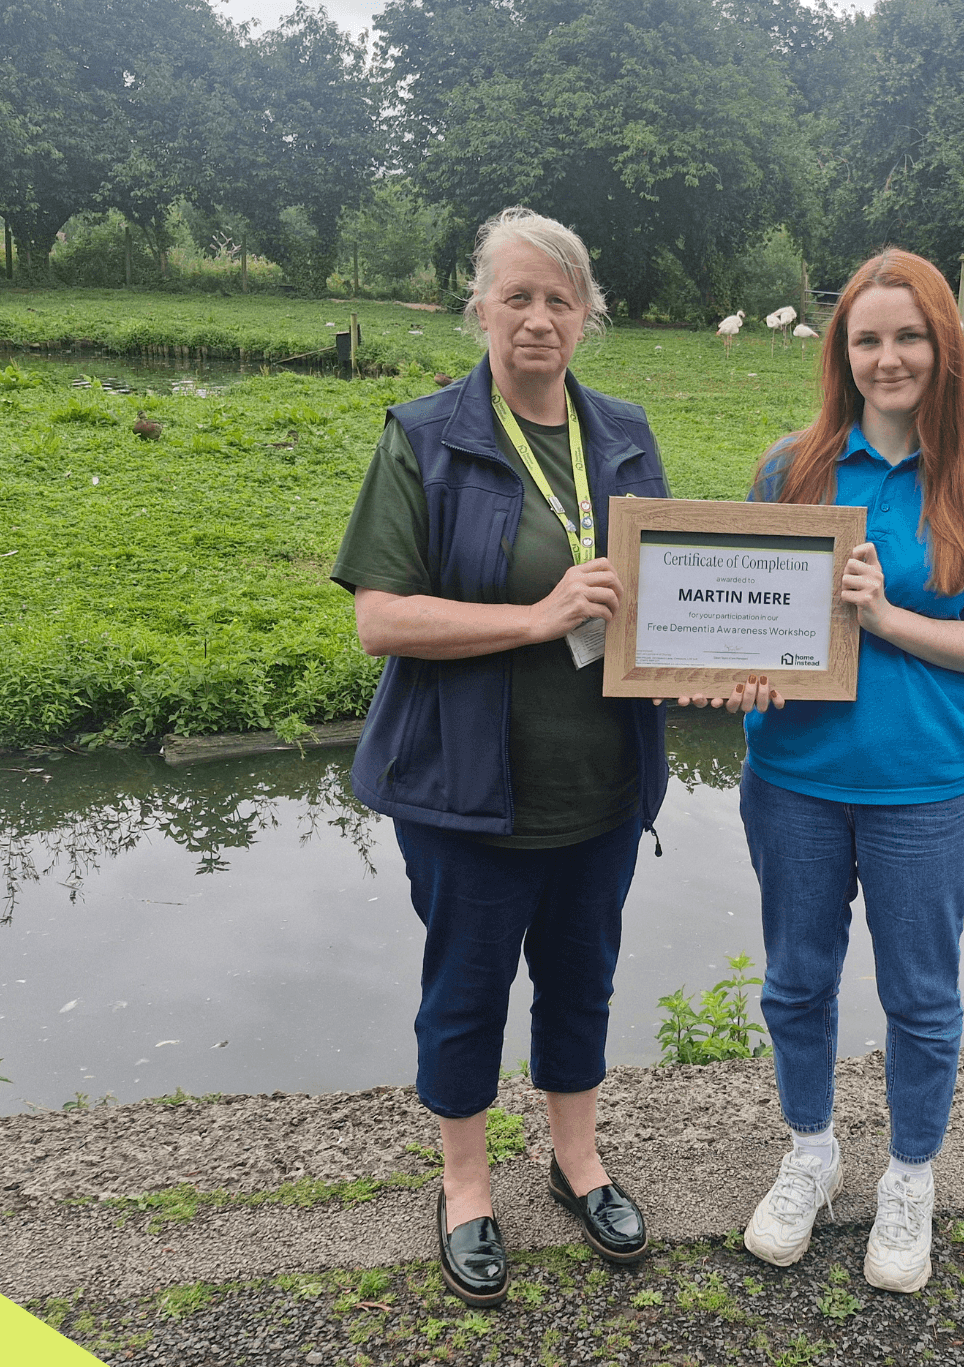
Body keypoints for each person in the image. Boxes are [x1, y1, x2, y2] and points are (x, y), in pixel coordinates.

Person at [686, 248, 964, 1293]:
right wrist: (737, 675)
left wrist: (886, 617)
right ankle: (809, 1152)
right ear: (842, 353)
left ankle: (909, 1174)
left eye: (908, 336)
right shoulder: (788, 467)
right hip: (792, 776)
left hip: (924, 789)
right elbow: (745, 619)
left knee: (920, 996)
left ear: (942, 346)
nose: (888, 358)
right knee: (795, 980)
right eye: (867, 339)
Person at [332, 207, 669, 1307]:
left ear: (586, 318)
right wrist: (536, 616)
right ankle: (466, 1186)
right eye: (516, 296)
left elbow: (665, 601)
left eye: (558, 300)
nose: (537, 318)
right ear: (478, 306)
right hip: (464, 788)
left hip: (600, 783)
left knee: (582, 978)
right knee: (466, 989)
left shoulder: (621, 433)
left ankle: (577, 1161)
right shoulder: (424, 435)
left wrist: (726, 660)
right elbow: (380, 619)